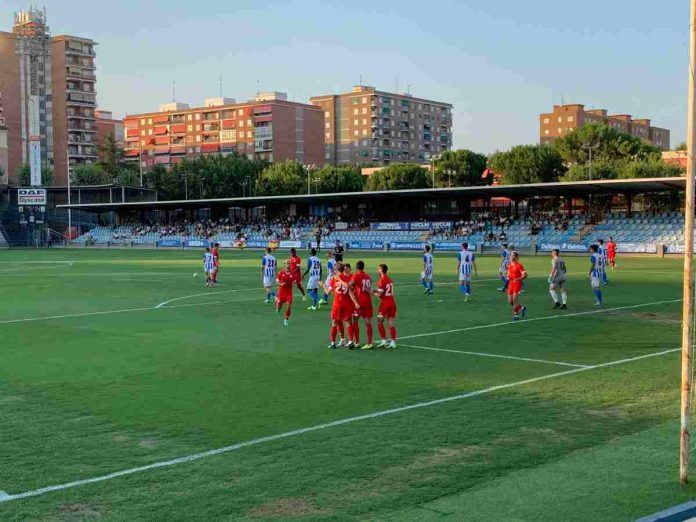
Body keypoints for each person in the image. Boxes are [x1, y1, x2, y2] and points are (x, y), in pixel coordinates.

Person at [350, 260, 375, 350]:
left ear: (356, 268)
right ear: (363, 267)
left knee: (355, 320)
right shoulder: (368, 276)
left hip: (360, 302)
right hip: (368, 301)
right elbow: (369, 285)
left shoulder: (356, 276)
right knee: (368, 322)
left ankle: (357, 342)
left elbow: (349, 285)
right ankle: (370, 343)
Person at [374, 263, 397, 349]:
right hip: (392, 303)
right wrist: (376, 289)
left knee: (379, 321)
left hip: (385, 304)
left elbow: (380, 294)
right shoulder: (390, 280)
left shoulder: (381, 280)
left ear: (381, 270)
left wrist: (372, 292)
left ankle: (383, 340)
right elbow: (386, 290)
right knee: (391, 322)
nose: (377, 270)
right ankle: (393, 342)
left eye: (378, 269)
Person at [328, 263, 352, 349]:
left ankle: (333, 343)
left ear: (336, 270)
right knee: (348, 322)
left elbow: (328, 292)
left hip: (337, 303)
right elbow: (350, 289)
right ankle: (350, 341)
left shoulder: (334, 279)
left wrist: (322, 286)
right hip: (347, 303)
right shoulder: (348, 278)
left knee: (334, 322)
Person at [507, 251, 527, 321]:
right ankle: (522, 308)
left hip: (517, 284)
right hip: (510, 284)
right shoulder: (509, 265)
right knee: (510, 301)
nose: (511, 257)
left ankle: (516, 315)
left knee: (515, 301)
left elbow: (525, 275)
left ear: (516, 257)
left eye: (513, 256)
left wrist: (518, 279)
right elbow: (509, 273)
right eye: (511, 255)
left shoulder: (519, 265)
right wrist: (508, 276)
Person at [275, 260, 295, 326]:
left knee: (289, 306)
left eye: (289, 263)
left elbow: (294, 282)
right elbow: (277, 281)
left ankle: (286, 319)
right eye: (287, 263)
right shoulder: (281, 273)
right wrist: (281, 284)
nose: (288, 264)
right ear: (285, 264)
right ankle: (278, 307)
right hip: (281, 292)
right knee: (279, 306)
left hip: (289, 293)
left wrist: (294, 283)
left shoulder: (292, 273)